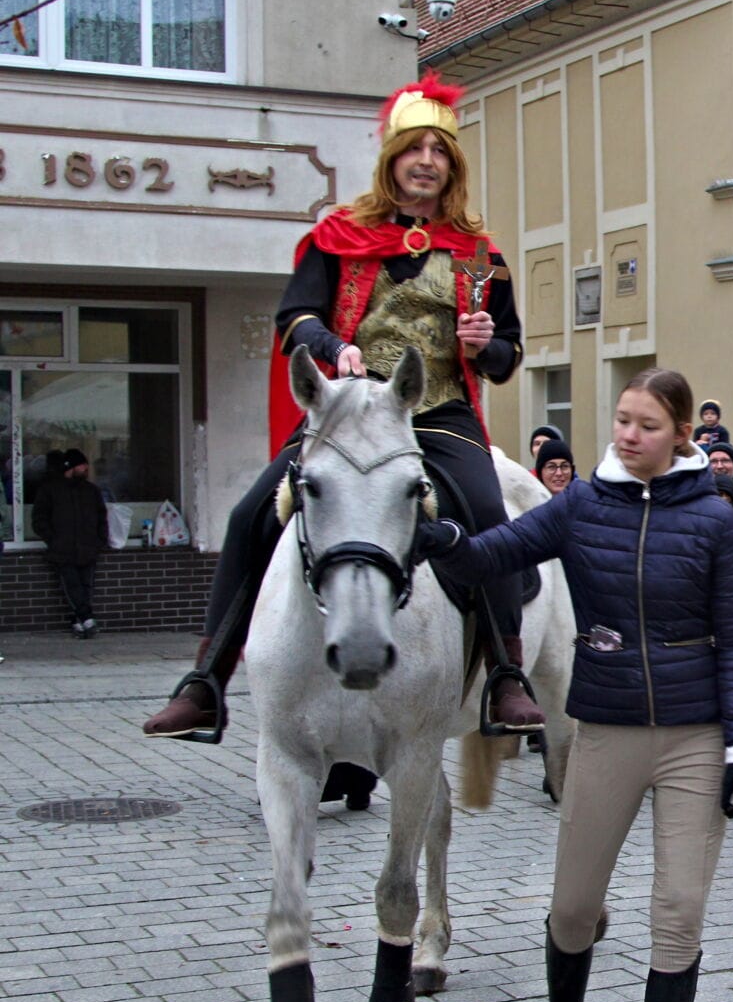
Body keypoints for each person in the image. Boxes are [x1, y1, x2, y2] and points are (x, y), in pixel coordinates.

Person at [143, 76, 544, 738]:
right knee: (252, 514)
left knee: (487, 511)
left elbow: (509, 351)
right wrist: (332, 345)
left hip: (439, 410)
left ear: (453, 165)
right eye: (414, 149)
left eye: (439, 151)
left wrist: (485, 345)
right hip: (348, 411)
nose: (426, 162)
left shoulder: (480, 253)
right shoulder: (339, 236)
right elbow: (294, 316)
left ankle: (505, 673)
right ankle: (206, 679)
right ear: (391, 160)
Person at [415, 367, 733, 1002]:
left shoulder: (716, 521)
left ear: (682, 437)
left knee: (678, 914)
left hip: (696, 736)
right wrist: (440, 537)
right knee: (573, 910)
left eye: (648, 425)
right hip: (604, 729)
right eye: (623, 419)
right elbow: (490, 557)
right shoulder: (580, 504)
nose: (630, 435)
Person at [33, 447, 107, 639]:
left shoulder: (91, 491)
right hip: (63, 549)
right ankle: (86, 617)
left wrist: (100, 540)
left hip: (88, 548)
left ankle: (78, 621)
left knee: (86, 586)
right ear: (71, 467)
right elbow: (39, 518)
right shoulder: (50, 490)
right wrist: (53, 539)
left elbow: (101, 516)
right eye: (82, 466)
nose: (86, 469)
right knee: (72, 585)